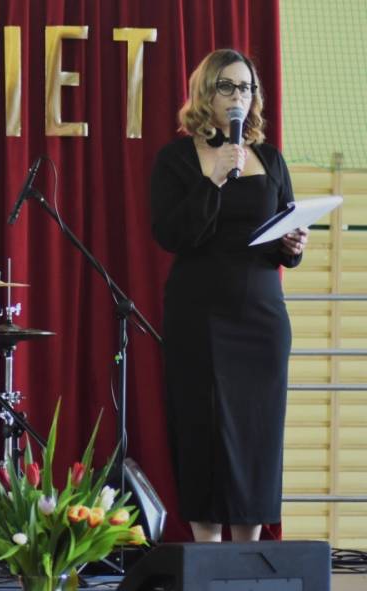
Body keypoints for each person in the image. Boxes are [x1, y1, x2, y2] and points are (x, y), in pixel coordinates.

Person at [149, 49, 309, 543]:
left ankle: (248, 556)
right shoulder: (177, 159)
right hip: (200, 316)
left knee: (258, 436)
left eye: (246, 88)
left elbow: (283, 232)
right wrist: (214, 178)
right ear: (206, 92)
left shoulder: (270, 158)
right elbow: (172, 235)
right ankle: (208, 554)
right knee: (204, 431)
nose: (239, 96)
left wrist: (293, 245)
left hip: (261, 317)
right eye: (228, 86)